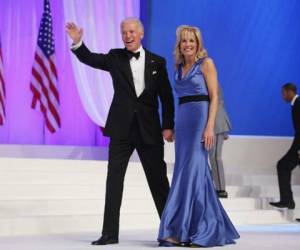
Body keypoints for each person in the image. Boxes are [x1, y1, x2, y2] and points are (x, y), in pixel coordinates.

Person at [65, 18, 175, 245]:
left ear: (141, 33)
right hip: (121, 130)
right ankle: (109, 233)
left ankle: (169, 232)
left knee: (159, 181)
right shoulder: (115, 57)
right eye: (124, 32)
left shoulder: (158, 62)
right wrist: (78, 43)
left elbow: (166, 97)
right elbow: (90, 58)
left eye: (132, 31)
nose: (128, 36)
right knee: (114, 180)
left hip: (149, 130)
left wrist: (168, 125)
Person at [157, 25, 239, 247]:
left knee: (193, 171)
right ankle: (193, 229)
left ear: (198, 43)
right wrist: (173, 126)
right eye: (184, 41)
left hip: (201, 121)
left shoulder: (207, 64)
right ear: (179, 44)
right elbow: (179, 100)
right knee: (188, 173)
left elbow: (214, 97)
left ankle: (195, 230)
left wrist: (210, 126)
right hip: (183, 124)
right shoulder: (178, 67)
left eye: (191, 41)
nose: (188, 44)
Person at [269, 83, 300, 210]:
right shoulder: (296, 103)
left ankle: (287, 200)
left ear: (289, 92)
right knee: (283, 165)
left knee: (282, 165)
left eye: (283, 93)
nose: (282, 96)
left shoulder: (298, 103)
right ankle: (287, 200)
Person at [209, 85, 232, 198]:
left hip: (216, 123)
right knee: (212, 157)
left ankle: (221, 189)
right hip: (213, 123)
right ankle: (216, 187)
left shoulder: (211, 79)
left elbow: (216, 103)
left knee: (215, 157)